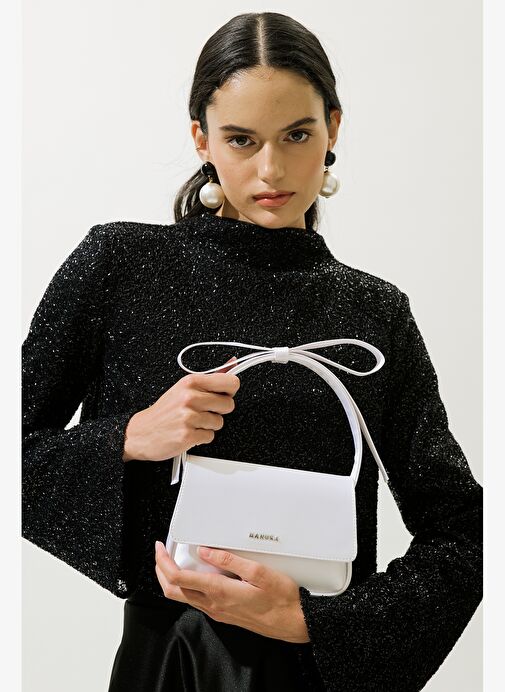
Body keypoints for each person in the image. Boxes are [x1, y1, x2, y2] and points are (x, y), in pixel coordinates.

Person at [22, 11, 483, 692]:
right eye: (241, 139)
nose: (271, 169)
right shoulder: (120, 266)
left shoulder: (373, 312)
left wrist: (317, 624)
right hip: (171, 666)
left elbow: (468, 534)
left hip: (313, 672)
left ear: (333, 127)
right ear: (201, 138)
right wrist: (129, 437)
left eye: (297, 134)